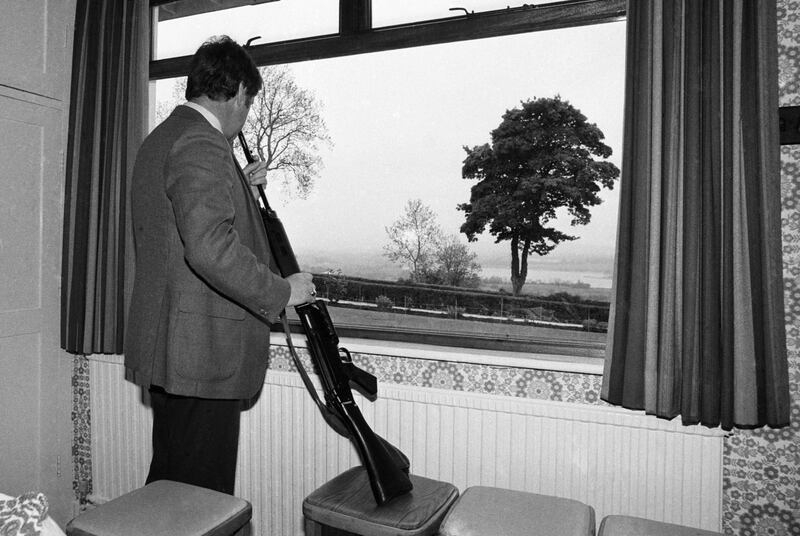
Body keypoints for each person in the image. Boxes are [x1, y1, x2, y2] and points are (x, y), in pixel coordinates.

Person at [123, 36, 316, 494]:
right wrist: (284, 291)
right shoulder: (202, 143)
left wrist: (241, 190)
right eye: (248, 104)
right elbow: (209, 247)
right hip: (200, 355)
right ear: (237, 94)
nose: (245, 117)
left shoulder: (166, 136)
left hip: (175, 351)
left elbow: (178, 230)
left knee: (173, 492)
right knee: (201, 504)